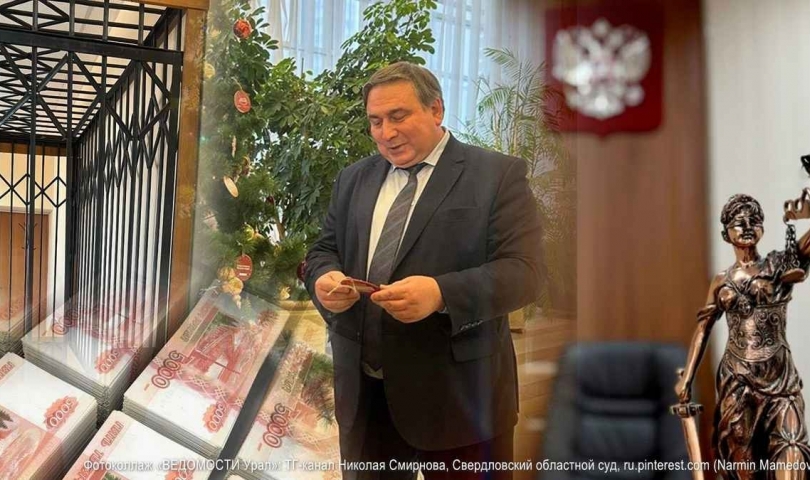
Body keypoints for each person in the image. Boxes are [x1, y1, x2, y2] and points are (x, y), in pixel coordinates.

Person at [304, 62, 544, 480]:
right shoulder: (353, 179)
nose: (386, 133)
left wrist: (440, 293)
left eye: (398, 116)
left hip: (460, 401)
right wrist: (323, 279)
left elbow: (526, 273)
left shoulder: (498, 175)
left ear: (436, 110)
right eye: (375, 121)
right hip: (365, 397)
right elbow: (324, 250)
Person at [675, 192, 810, 479]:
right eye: (739, 222)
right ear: (726, 234)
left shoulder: (778, 265)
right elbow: (703, 328)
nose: (748, 226)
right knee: (742, 466)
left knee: (792, 452)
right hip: (738, 382)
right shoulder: (721, 281)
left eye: (754, 220)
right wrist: (687, 379)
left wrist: (804, 212)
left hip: (780, 380)